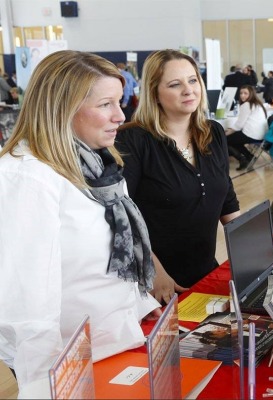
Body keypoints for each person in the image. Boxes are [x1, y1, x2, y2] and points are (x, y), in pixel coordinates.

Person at [0, 50, 161, 398]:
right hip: (65, 367)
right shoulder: (27, 177)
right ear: (63, 108)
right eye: (106, 104)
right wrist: (45, 387)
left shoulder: (100, 163)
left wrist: (144, 312)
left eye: (120, 102)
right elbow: (26, 303)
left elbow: (113, 266)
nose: (120, 115)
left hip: (114, 345)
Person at [116, 49, 240, 302]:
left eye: (193, 80)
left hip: (205, 273)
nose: (188, 90)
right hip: (155, 283)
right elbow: (121, 216)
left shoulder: (213, 132)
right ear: (154, 93)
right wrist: (154, 271)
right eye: (175, 84)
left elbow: (226, 195)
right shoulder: (133, 141)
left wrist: (251, 249)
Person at [224, 84, 269, 170]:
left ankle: (242, 160)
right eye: (241, 93)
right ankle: (249, 156)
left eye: (245, 93)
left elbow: (239, 126)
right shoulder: (257, 104)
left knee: (225, 140)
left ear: (251, 94)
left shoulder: (247, 105)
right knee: (234, 139)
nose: (242, 95)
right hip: (261, 135)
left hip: (252, 134)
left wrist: (226, 133)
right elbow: (240, 125)